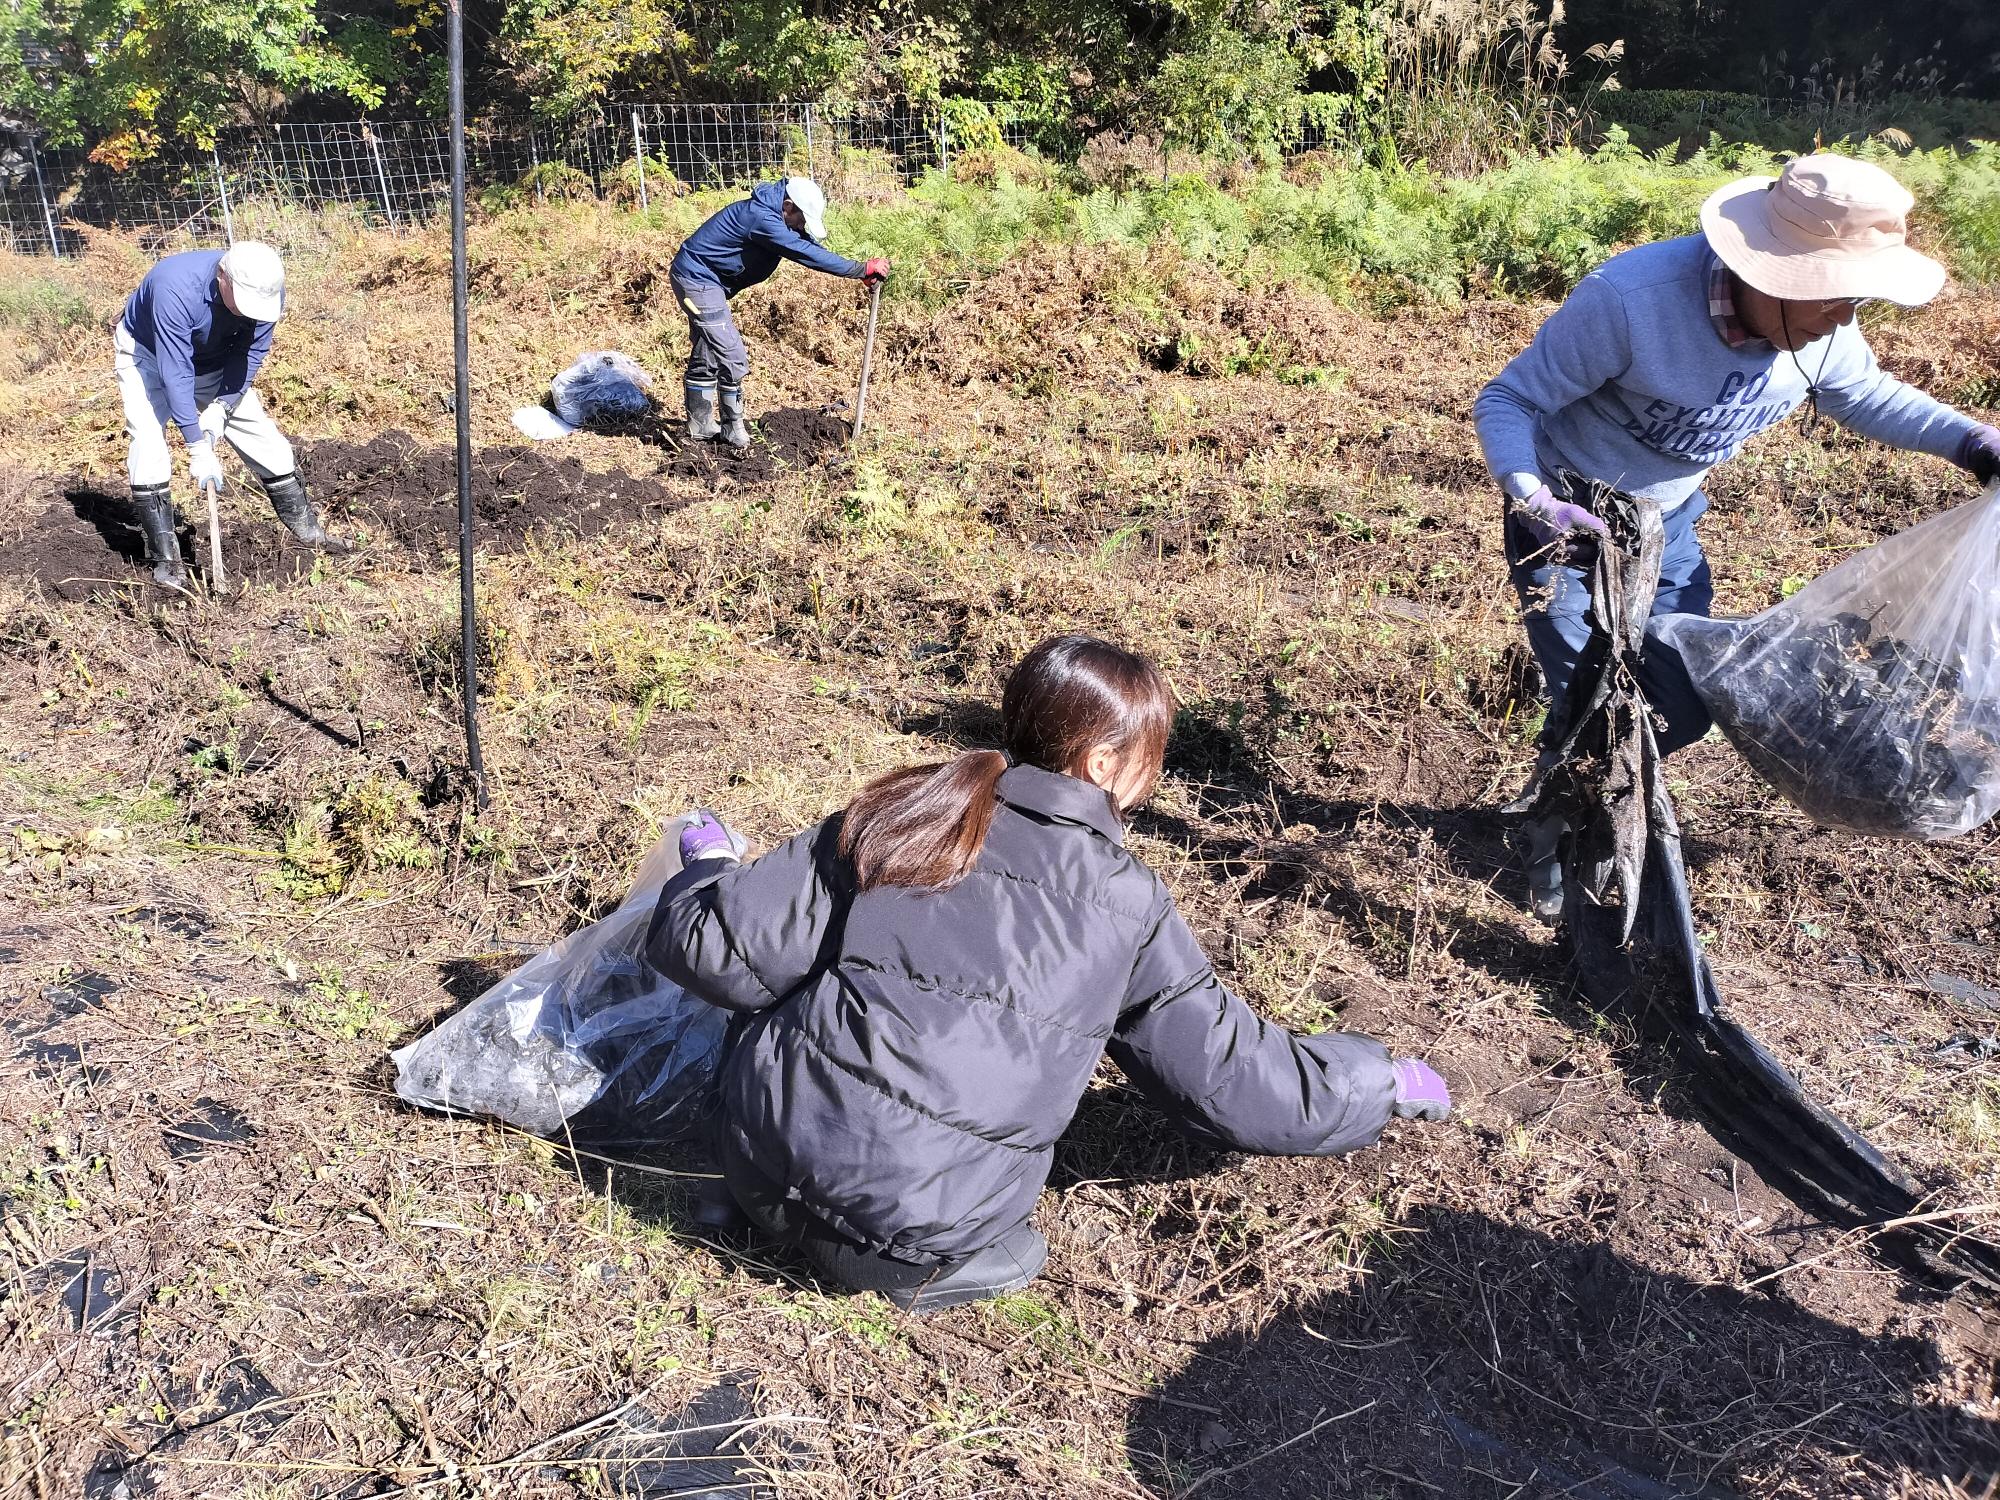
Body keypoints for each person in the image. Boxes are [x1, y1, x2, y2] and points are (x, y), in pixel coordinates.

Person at [645, 635, 1450, 1313]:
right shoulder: (1126, 902)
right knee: (1020, 1251)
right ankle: (926, 1269)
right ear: (1104, 762)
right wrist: (1376, 1080)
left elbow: (714, 950)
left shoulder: (912, 808)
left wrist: (710, 867)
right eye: (1149, 760)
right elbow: (1234, 1080)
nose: (1151, 780)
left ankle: (754, 1208)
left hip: (753, 1165)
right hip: (897, 1250)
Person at [1474, 153, 2000, 919]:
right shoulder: (1632, 302)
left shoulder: (1821, 331)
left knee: (1679, 705)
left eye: (1855, 297)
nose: (1844, 317)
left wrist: (1973, 442)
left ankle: (1561, 788)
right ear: (1773, 274)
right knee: (1592, 696)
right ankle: (1558, 837)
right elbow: (1508, 399)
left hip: (1671, 528)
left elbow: (1865, 392)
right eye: (1831, 297)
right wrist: (1536, 502)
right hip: (1570, 528)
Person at [117, 240, 344, 589]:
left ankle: (308, 530)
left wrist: (222, 406)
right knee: (148, 441)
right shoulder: (174, 287)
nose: (249, 311)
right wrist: (196, 445)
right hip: (147, 355)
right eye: (242, 300)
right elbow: (175, 372)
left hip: (216, 362)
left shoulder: (266, 292)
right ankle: (166, 560)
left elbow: (249, 355)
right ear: (222, 275)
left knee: (267, 441)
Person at [668, 175, 889, 449]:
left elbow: (806, 244)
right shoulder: (761, 218)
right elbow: (803, 252)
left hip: (709, 283)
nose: (802, 227)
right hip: (696, 280)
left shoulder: (776, 216)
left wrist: (858, 273)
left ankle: (700, 425)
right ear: (788, 206)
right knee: (732, 354)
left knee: (709, 349)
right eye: (801, 220)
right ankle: (732, 428)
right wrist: (860, 268)